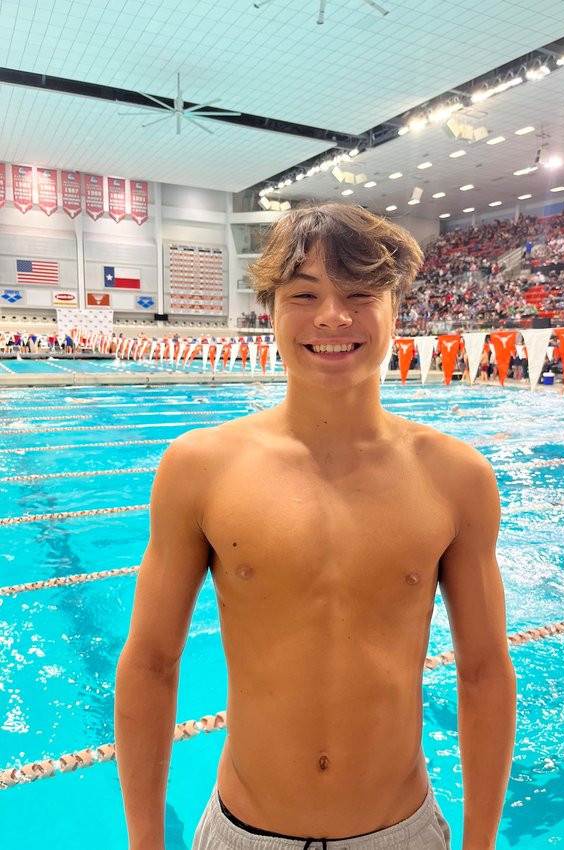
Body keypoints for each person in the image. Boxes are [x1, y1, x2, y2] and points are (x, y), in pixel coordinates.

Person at [115, 203, 516, 850]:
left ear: (396, 310)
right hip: (245, 833)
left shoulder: (455, 478)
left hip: (402, 833)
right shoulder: (200, 468)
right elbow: (152, 663)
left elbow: (485, 671)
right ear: (270, 309)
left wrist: (482, 843)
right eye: (305, 295)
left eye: (360, 294)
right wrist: (143, 842)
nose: (333, 316)